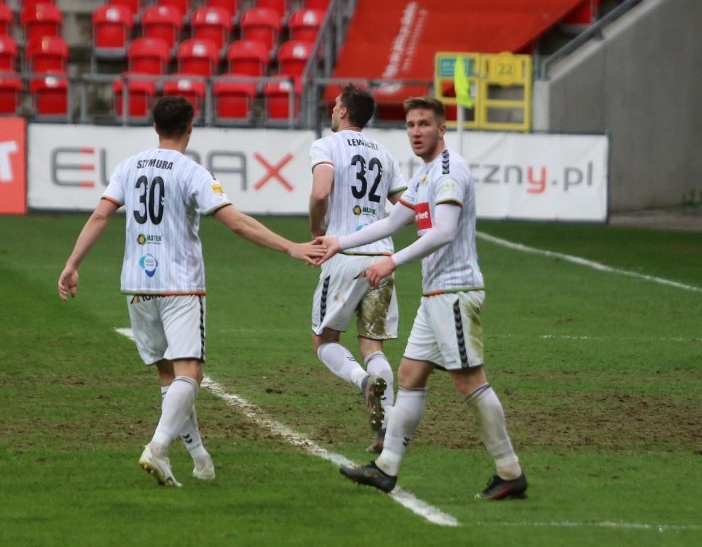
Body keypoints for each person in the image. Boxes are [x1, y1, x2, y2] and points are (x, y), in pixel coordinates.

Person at [58, 96, 324, 488]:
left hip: (136, 284)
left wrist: (72, 263)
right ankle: (159, 447)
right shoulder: (193, 172)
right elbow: (236, 223)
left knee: (169, 376)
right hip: (180, 285)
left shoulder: (128, 166)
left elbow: (101, 214)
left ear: (154, 126)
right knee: (191, 372)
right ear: (191, 127)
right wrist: (291, 246)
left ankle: (200, 458)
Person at [315, 96, 527, 500]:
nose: (415, 131)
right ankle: (386, 468)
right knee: (410, 376)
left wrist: (391, 262)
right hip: (436, 296)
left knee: (469, 383)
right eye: (411, 124)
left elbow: (444, 231)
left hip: (455, 292)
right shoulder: (426, 173)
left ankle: (510, 470)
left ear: (441, 129)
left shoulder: (448, 171)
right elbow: (393, 220)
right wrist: (339, 241)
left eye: (424, 124)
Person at [308, 84, 407, 452]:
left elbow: (321, 192)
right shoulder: (384, 153)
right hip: (382, 258)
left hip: (344, 255)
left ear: (345, 111)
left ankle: (362, 381)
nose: (332, 110)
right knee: (373, 345)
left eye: (335, 105)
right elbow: (404, 206)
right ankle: (387, 431)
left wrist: (317, 230)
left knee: (324, 341)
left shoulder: (326, 145)